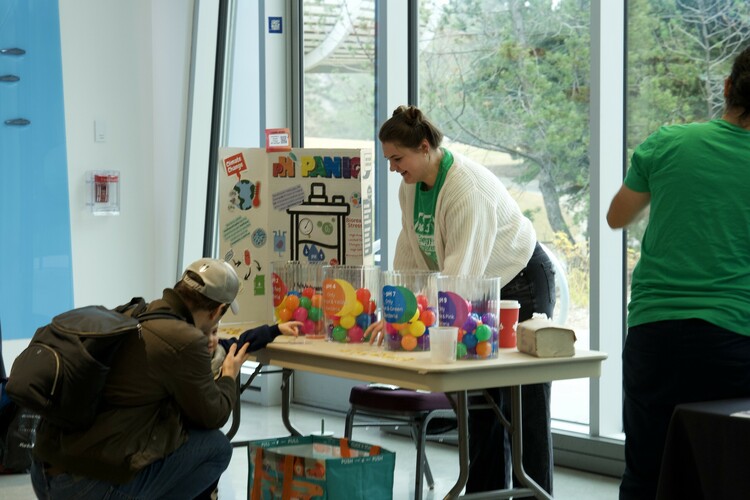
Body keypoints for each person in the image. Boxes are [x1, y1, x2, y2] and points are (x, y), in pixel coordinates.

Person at [373, 105, 557, 495]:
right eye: (389, 160)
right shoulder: (409, 186)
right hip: (471, 283)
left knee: (525, 406)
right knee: (479, 403)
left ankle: (535, 495)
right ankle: (485, 492)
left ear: (424, 147)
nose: (393, 168)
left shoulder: (464, 189)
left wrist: (415, 316)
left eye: (397, 158)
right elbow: (408, 255)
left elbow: (461, 277)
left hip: (519, 281)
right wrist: (393, 311)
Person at [608, 46, 750, 500]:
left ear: (727, 89)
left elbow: (616, 216)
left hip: (654, 333)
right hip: (732, 338)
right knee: (724, 474)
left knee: (646, 472)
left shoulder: (669, 142)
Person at [30, 258, 251, 500]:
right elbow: (213, 415)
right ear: (218, 310)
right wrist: (229, 375)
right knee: (216, 448)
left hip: (43, 470)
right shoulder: (185, 340)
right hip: (87, 487)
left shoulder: (133, 313)